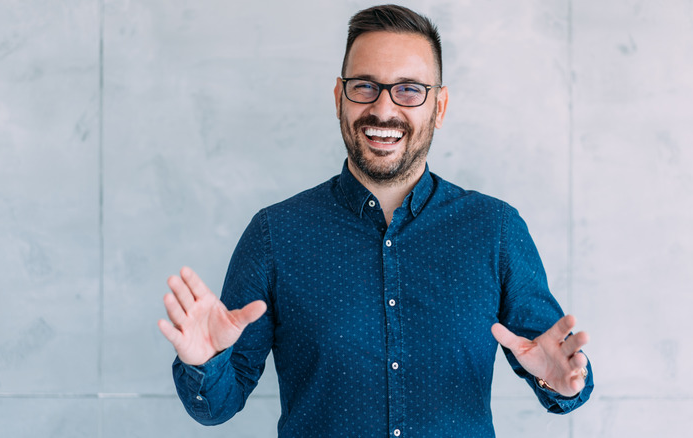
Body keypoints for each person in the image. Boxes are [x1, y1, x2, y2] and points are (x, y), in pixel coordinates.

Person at [158, 4, 593, 437]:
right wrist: (205, 361)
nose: (383, 109)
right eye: (364, 86)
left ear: (439, 107)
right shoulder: (274, 235)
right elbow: (217, 405)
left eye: (409, 89)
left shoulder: (495, 230)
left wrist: (559, 381)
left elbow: (560, 367)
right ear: (339, 98)